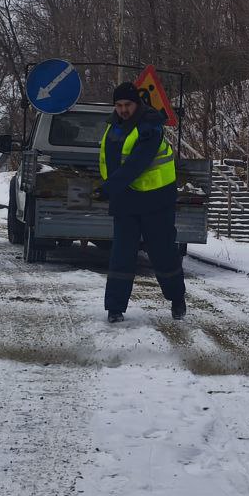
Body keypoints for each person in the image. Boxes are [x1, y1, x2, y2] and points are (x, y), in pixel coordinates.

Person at [91, 82, 187, 323]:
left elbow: (136, 163)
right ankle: (115, 309)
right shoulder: (113, 126)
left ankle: (177, 299)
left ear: (137, 104)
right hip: (125, 201)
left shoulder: (150, 126)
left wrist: (108, 188)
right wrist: (110, 188)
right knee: (121, 255)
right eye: (119, 105)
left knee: (163, 254)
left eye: (127, 105)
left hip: (156, 201)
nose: (123, 110)